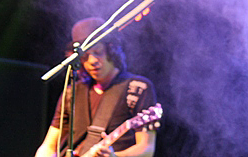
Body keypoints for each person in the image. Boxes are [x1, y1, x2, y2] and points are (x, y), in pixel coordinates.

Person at [35, 17, 157, 157]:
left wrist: (115, 156)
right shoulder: (72, 92)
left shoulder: (137, 88)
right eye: (85, 56)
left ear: (111, 50)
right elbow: (48, 146)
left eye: (98, 52)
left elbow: (147, 149)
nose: (92, 61)